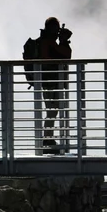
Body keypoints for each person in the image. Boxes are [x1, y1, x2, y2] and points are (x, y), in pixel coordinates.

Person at [36, 16, 73, 154]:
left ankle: (48, 137)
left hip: (52, 80)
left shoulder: (48, 41)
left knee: (53, 108)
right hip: (50, 80)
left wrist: (63, 42)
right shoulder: (47, 42)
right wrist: (63, 42)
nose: (57, 31)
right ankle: (47, 138)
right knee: (52, 108)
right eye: (56, 28)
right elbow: (64, 55)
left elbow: (66, 56)